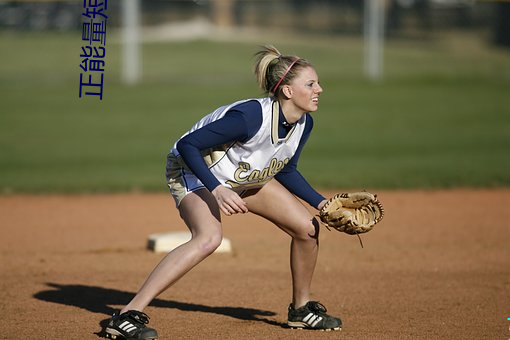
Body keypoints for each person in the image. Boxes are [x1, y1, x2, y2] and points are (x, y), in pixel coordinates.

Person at [105, 45, 342, 340]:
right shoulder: (249, 117)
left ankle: (302, 309)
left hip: (241, 177)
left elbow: (286, 169)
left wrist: (323, 204)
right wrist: (216, 189)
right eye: (310, 84)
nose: (320, 88)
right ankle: (126, 315)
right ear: (288, 92)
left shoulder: (303, 123)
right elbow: (187, 146)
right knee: (209, 238)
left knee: (307, 228)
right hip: (193, 172)